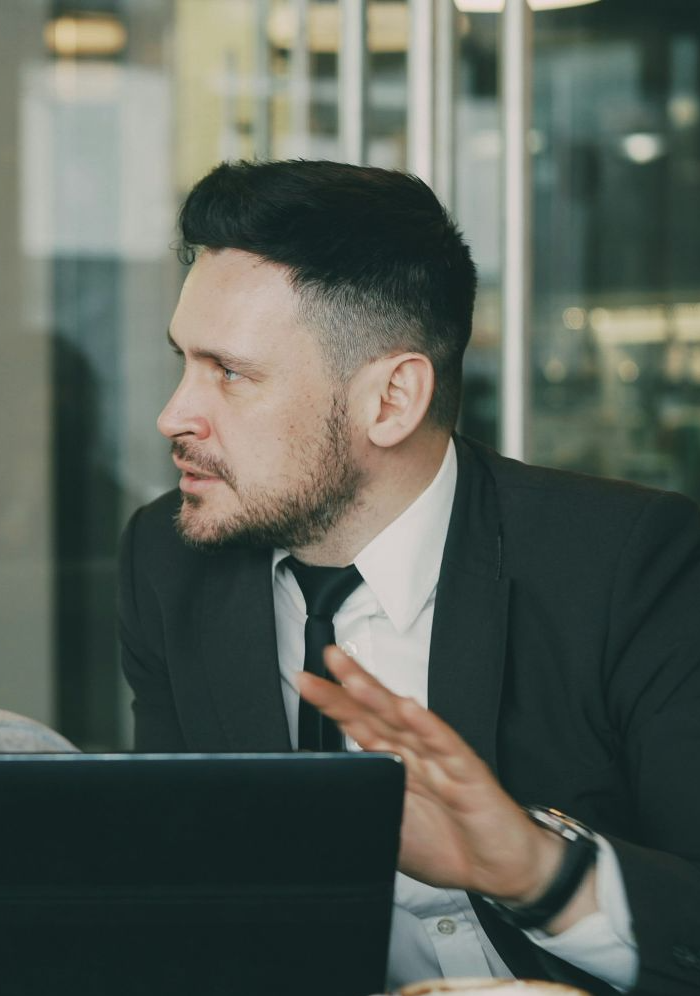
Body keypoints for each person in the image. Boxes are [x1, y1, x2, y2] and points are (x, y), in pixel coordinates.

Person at [118, 160, 700, 995]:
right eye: (183, 361)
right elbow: (175, 888)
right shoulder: (169, 559)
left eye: (230, 373)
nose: (173, 414)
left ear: (391, 400)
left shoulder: (627, 565)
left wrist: (540, 873)